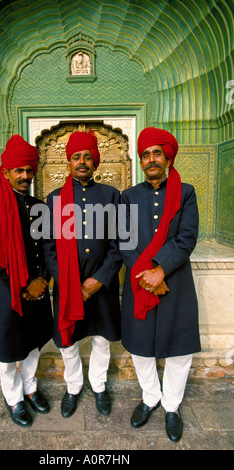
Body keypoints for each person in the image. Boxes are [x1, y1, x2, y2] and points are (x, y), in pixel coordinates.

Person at [119, 127, 201, 442]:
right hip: (140, 282)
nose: (151, 159)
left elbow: (186, 237)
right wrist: (147, 275)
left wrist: (161, 271)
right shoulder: (129, 196)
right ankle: (151, 396)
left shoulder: (186, 192)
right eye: (145, 155)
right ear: (140, 161)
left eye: (157, 153)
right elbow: (123, 241)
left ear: (167, 156)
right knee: (140, 346)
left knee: (179, 350)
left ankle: (171, 406)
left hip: (175, 281)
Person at [43, 130, 122, 418]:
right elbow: (49, 248)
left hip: (102, 285)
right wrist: (70, 284)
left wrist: (99, 279)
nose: (82, 161)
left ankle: (98, 385)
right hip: (68, 286)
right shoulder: (53, 200)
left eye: (88, 156)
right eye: (76, 156)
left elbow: (119, 243)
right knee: (69, 340)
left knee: (101, 339)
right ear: (68, 162)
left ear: (95, 162)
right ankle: (73, 386)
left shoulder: (112, 196)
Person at [0, 135, 53, 428]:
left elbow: (50, 248)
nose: (25, 176)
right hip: (7, 291)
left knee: (34, 342)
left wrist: (42, 281)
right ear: (7, 173)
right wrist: (24, 285)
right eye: (18, 171)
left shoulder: (41, 207)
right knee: (8, 348)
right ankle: (13, 398)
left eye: (29, 170)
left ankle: (30, 388)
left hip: (37, 289)